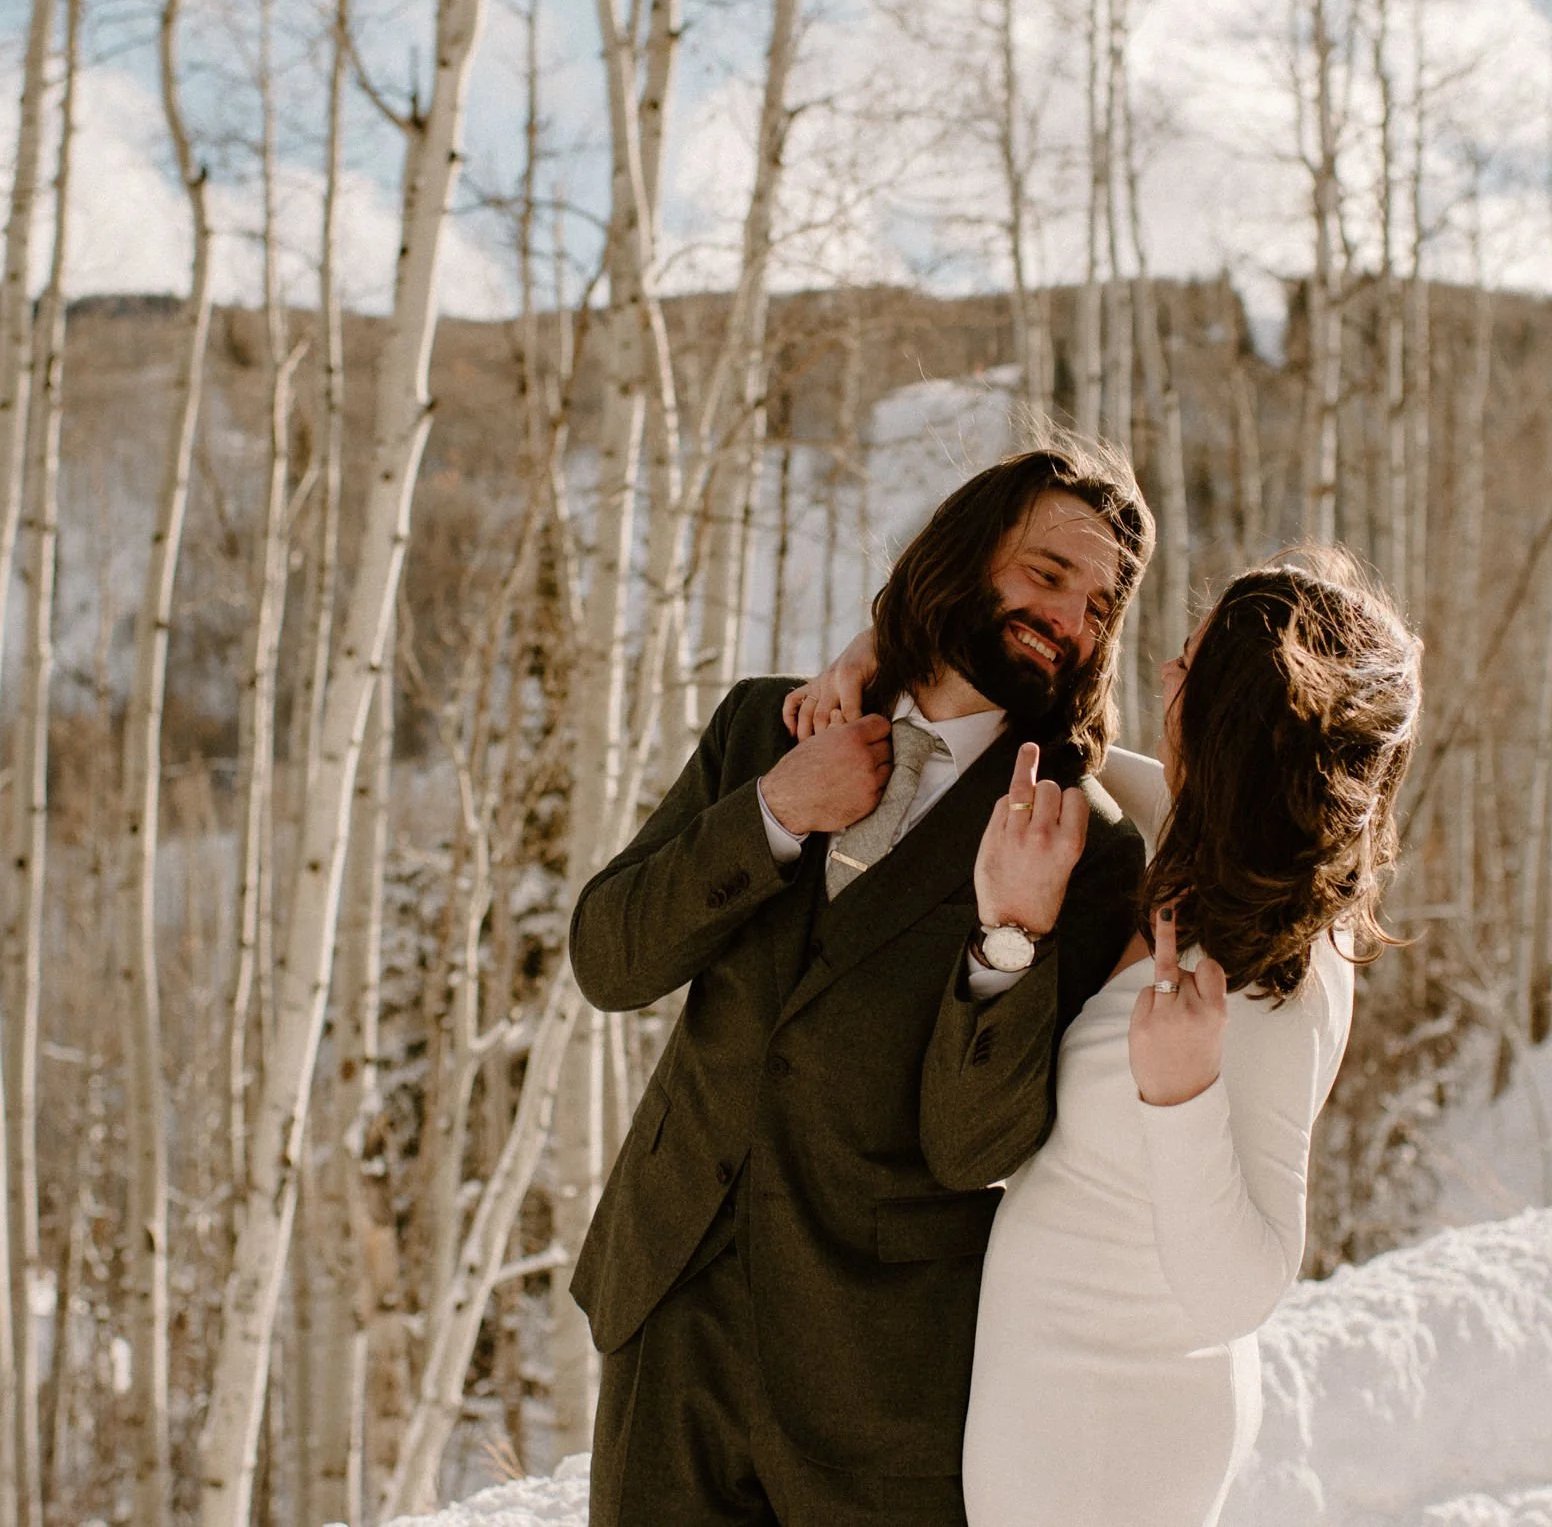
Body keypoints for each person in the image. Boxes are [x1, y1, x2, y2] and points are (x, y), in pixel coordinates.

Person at [564, 445, 1153, 1527]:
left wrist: (1009, 936)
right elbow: (610, 959)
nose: (1071, 615)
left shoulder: (1085, 846)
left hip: (878, 1379)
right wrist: (773, 813)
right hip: (669, 1307)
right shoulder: (762, 727)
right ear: (967, 554)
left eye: (1100, 603)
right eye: (1047, 572)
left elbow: (976, 1146)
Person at [784, 548, 1420, 1527]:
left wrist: (1182, 1098)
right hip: (1048, 1409)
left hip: (1107, 1444)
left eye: (1190, 666)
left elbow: (1239, 1294)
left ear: (1234, 724)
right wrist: (889, 661)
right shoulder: (1192, 847)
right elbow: (1039, 751)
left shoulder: (1271, 982)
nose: (1163, 675)